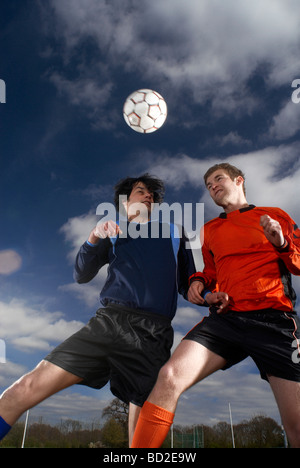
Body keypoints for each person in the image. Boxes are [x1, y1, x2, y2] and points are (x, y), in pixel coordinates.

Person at [0, 173, 203, 446]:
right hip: (108, 323)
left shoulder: (175, 232)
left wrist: (207, 293)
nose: (149, 196)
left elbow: (189, 283)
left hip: (153, 335)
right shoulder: (114, 231)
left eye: (152, 194)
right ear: (124, 201)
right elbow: (81, 275)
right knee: (25, 387)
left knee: (141, 423)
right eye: (141, 191)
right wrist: (95, 235)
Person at [131, 163, 300, 448]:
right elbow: (209, 273)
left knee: (295, 426)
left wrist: (281, 243)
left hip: (274, 322)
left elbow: (297, 264)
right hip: (227, 319)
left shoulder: (275, 216)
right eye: (208, 185)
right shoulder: (210, 230)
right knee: (169, 376)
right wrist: (199, 284)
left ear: (239, 180)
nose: (213, 187)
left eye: (218, 179)